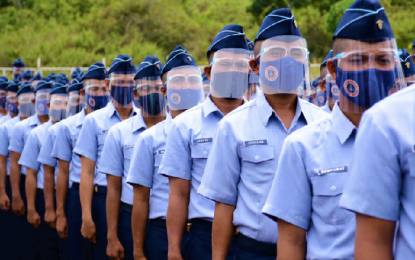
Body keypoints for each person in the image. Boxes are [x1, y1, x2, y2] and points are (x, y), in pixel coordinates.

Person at [262, 1, 405, 259]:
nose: (371, 70)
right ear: (333, 69)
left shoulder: (408, 138)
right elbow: (291, 242)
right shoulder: (303, 147)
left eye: (383, 60)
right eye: (358, 59)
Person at [198, 9, 328, 260]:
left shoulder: (323, 122)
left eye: (296, 54)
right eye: (277, 53)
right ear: (256, 65)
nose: (288, 61)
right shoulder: (233, 126)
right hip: (255, 251)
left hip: (313, 250)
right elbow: (224, 206)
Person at [159, 24, 250, 260]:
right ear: (209, 73)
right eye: (226, 64)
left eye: (241, 65)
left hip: (253, 240)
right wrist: (173, 249)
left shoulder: (262, 121)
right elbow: (179, 194)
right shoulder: (186, 125)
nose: (234, 71)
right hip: (203, 237)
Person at [126, 47, 202, 260]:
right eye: (178, 81)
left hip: (204, 233)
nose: (186, 86)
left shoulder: (219, 132)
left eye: (192, 80)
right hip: (160, 233)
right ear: (164, 91)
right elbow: (140, 200)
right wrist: (139, 251)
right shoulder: (149, 139)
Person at [98, 55, 165, 260]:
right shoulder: (119, 132)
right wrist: (112, 236)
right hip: (129, 216)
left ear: (165, 91)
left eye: (157, 87)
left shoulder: (179, 130)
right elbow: (114, 188)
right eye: (146, 88)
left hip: (166, 222)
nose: (152, 92)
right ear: (135, 94)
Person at [74, 55, 138, 260]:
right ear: (109, 84)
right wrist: (86, 216)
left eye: (130, 82)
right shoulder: (94, 121)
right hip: (102, 199)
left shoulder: (145, 119)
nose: (126, 87)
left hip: (135, 201)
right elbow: (86, 171)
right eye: (120, 82)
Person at [53, 65, 108, 260]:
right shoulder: (67, 127)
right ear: (84, 93)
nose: (100, 94)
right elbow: (63, 172)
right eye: (94, 89)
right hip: (77, 197)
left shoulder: (119, 126)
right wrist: (60, 213)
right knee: (78, 252)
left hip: (107, 197)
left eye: (104, 89)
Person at [19, 81, 70, 259]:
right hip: (46, 197)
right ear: (48, 105)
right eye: (57, 103)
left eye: (65, 102)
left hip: (68, 197)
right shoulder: (38, 134)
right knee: (46, 249)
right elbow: (32, 174)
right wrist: (34, 208)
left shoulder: (73, 130)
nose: (61, 106)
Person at [9, 79, 50, 260]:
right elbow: (14, 164)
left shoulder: (64, 126)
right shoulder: (22, 128)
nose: (47, 102)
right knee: (31, 241)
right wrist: (17, 196)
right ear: (34, 102)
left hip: (59, 191)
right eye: (42, 98)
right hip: (33, 189)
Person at [0, 80, 30, 260]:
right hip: (14, 183)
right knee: (12, 234)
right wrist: (4, 192)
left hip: (33, 183)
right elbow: (3, 162)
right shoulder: (6, 127)